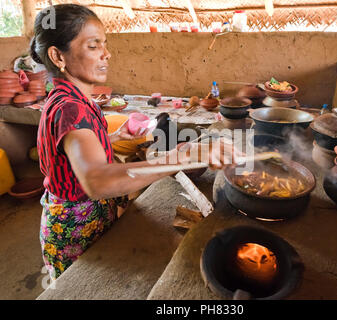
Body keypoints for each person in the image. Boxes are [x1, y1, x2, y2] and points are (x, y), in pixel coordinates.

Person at [32, 4, 241, 280]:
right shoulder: (70, 108)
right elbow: (97, 180)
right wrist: (185, 156)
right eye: (94, 46)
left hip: (89, 214)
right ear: (58, 55)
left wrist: (110, 139)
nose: (107, 54)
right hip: (75, 228)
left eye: (104, 44)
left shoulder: (73, 99)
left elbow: (73, 148)